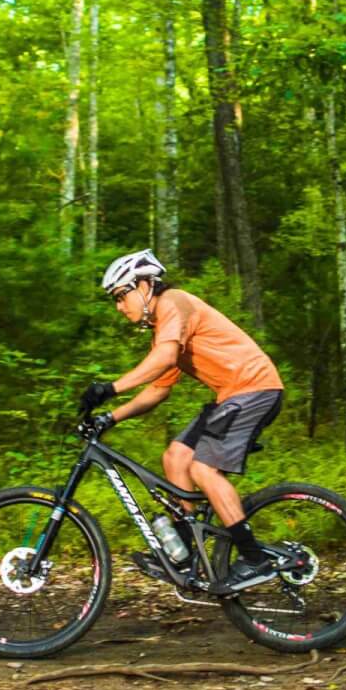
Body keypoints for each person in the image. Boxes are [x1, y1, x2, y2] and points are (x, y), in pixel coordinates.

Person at [79, 250, 286, 593]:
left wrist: (111, 388)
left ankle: (254, 559)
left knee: (203, 469)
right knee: (175, 457)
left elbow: (163, 358)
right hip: (231, 395)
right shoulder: (167, 327)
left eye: (121, 296)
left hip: (255, 389)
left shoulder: (173, 302)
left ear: (145, 286)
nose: (119, 307)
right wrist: (110, 418)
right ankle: (186, 554)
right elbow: (157, 390)